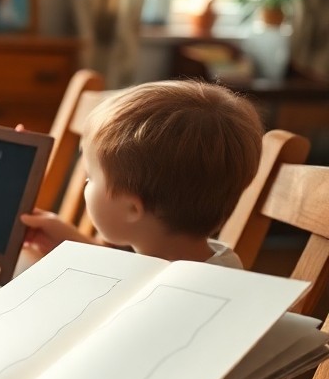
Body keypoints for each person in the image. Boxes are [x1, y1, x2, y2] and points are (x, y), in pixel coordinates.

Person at [21, 80, 263, 268]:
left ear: (132, 209)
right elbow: (122, 274)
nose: (86, 183)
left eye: (91, 178)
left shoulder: (184, 294)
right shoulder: (214, 265)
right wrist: (70, 244)